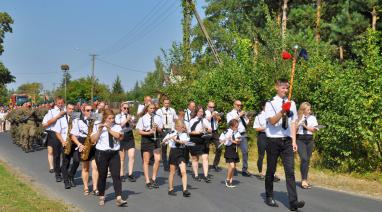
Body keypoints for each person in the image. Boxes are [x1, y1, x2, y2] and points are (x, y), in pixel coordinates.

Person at [264, 78, 305, 211]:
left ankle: (293, 202)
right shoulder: (270, 103)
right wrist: (282, 111)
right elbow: (271, 121)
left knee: (290, 171)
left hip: (287, 141)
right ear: (276, 87)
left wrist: (293, 140)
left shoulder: (291, 103)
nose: (285, 90)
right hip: (273, 140)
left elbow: (293, 123)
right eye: (283, 88)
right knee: (271, 169)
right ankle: (269, 196)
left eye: (287, 88)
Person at [91, 109, 127, 207]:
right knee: (102, 176)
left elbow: (120, 137)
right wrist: (99, 130)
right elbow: (93, 140)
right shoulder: (97, 125)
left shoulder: (117, 126)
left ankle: (119, 198)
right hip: (101, 154)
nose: (111, 120)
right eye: (109, 118)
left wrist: (109, 129)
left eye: (113, 118)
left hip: (114, 153)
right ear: (104, 118)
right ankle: (102, 196)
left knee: (116, 175)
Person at [70, 104, 99, 196]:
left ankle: (95, 188)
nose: (90, 112)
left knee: (95, 167)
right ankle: (86, 187)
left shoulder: (96, 121)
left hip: (94, 143)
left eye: (91, 110)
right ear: (83, 111)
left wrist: (96, 139)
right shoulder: (78, 121)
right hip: (83, 142)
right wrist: (79, 144)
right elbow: (73, 135)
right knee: (85, 168)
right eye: (87, 110)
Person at [136, 104, 163, 189]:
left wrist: (157, 127)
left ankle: (154, 178)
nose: (152, 110)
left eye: (153, 108)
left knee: (158, 159)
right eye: (151, 108)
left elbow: (161, 130)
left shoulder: (158, 117)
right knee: (146, 161)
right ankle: (147, 180)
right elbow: (139, 131)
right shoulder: (142, 118)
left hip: (156, 138)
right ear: (147, 109)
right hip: (146, 139)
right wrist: (148, 132)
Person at [52, 102, 78, 189]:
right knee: (65, 163)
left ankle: (70, 175)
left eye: (73, 109)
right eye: (70, 109)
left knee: (76, 161)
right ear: (66, 109)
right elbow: (57, 132)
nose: (71, 110)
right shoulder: (61, 119)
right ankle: (66, 181)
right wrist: (63, 142)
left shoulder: (76, 119)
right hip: (66, 143)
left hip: (75, 143)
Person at [253, 101, 280, 182]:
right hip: (262, 136)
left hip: (271, 136)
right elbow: (256, 128)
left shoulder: (273, 115)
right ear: (263, 107)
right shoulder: (258, 116)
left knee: (272, 156)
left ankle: (272, 174)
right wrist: (266, 128)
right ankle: (260, 173)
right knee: (261, 155)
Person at [162, 120, 191, 197]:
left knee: (183, 171)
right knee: (172, 172)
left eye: (183, 127)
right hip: (174, 152)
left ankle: (185, 190)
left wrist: (176, 140)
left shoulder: (185, 134)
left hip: (182, 152)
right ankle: (170, 189)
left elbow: (185, 142)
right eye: (182, 127)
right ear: (177, 127)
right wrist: (167, 139)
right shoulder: (171, 133)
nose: (183, 128)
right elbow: (163, 143)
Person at [42, 96, 66, 181]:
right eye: (59, 103)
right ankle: (57, 174)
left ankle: (62, 170)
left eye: (62, 103)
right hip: (53, 134)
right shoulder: (51, 112)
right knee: (56, 155)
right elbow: (45, 124)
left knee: (65, 155)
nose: (60, 104)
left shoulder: (66, 111)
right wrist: (58, 116)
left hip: (64, 135)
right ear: (56, 103)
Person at [296, 102, 318, 189]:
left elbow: (314, 130)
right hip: (300, 139)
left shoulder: (312, 118)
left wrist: (305, 126)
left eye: (310, 109)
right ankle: (303, 180)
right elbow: (294, 129)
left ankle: (304, 179)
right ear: (303, 110)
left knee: (307, 160)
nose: (309, 111)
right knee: (304, 158)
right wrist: (299, 124)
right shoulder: (298, 117)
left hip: (309, 139)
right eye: (308, 109)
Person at [226, 100, 251, 177]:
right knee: (234, 152)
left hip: (243, 134)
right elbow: (230, 123)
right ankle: (234, 168)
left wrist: (247, 117)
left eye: (241, 105)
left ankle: (244, 169)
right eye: (238, 105)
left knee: (245, 151)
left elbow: (246, 123)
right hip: (235, 134)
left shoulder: (242, 113)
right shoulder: (230, 114)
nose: (239, 106)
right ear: (234, 105)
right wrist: (239, 115)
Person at [188, 105, 212, 183]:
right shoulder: (192, 120)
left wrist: (207, 129)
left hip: (204, 139)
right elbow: (189, 131)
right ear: (196, 112)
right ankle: (196, 175)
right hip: (194, 139)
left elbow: (210, 130)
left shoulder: (205, 120)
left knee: (205, 157)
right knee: (195, 158)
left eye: (202, 112)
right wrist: (197, 132)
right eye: (199, 111)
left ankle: (206, 175)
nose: (201, 113)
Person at [115, 102, 137, 182]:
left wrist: (131, 121)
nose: (126, 110)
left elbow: (134, 127)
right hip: (121, 135)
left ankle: (130, 174)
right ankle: (121, 174)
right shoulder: (118, 116)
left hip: (130, 136)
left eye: (128, 108)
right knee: (122, 158)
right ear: (121, 108)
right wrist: (126, 119)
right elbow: (119, 126)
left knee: (131, 156)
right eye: (125, 108)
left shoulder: (131, 116)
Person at [156, 98, 178, 172]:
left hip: (171, 130)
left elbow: (176, 119)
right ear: (163, 103)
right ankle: (166, 166)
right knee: (164, 149)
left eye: (168, 103)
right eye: (165, 103)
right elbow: (157, 120)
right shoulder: (159, 111)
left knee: (172, 148)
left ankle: (172, 163)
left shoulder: (172, 110)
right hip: (163, 130)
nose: (167, 105)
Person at [220, 119, 241, 188]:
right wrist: (224, 140)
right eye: (236, 127)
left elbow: (238, 142)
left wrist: (232, 140)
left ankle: (230, 182)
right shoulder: (226, 132)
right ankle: (227, 179)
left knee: (233, 166)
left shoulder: (237, 133)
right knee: (232, 166)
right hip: (229, 149)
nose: (237, 128)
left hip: (235, 149)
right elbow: (221, 140)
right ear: (231, 126)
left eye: (237, 126)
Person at [205, 101, 222, 172]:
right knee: (206, 148)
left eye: (213, 107)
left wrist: (217, 117)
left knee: (219, 147)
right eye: (210, 107)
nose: (212, 108)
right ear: (207, 106)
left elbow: (219, 120)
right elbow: (208, 119)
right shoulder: (205, 112)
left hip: (214, 132)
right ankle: (205, 164)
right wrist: (212, 114)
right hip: (207, 131)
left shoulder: (215, 112)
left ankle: (215, 164)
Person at [184, 101, 195, 167]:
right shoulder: (185, 112)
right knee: (187, 146)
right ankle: (186, 160)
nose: (194, 107)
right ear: (189, 106)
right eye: (193, 106)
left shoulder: (195, 112)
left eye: (194, 106)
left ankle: (191, 159)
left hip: (192, 131)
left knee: (191, 144)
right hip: (186, 130)